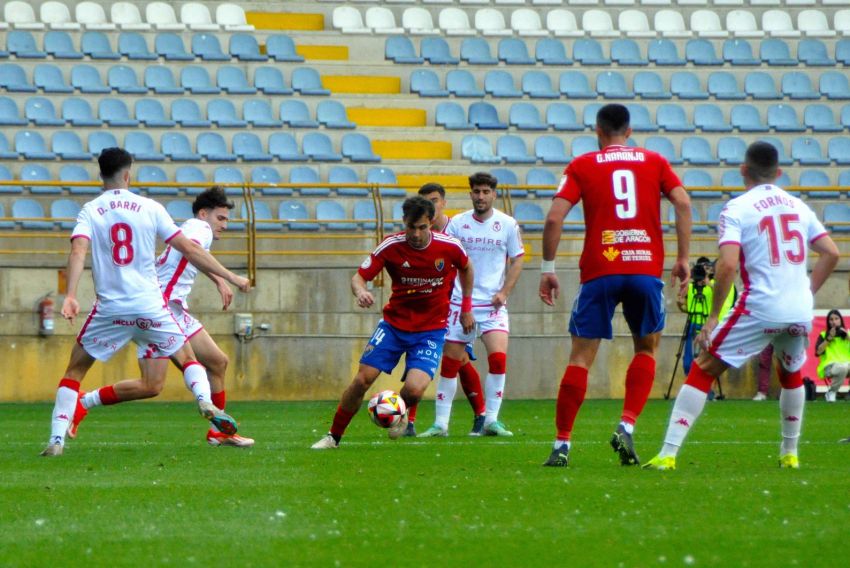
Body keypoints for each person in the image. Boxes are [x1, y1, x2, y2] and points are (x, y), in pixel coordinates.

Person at [41, 148, 251, 457]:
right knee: (183, 364)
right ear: (128, 175)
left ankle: (57, 438)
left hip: (112, 308)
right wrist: (232, 278)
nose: (223, 224)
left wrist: (70, 295)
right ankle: (204, 403)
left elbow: (78, 251)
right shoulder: (158, 211)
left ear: (101, 175)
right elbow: (189, 250)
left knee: (80, 371)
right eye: (221, 218)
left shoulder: (90, 210)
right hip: (155, 304)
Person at [644, 141, 840, 470]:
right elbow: (832, 253)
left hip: (760, 306)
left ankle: (668, 454)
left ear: (743, 170)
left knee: (704, 367)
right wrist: (807, 291)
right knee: (791, 374)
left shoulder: (737, 208)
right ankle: (789, 453)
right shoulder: (799, 206)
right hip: (798, 309)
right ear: (778, 173)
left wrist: (712, 318)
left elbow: (728, 265)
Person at [539, 103, 693, 467]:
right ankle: (626, 424)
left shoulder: (582, 164)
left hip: (601, 268)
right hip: (645, 269)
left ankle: (562, 445)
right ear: (630, 130)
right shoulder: (654, 161)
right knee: (646, 349)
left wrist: (548, 267)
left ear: (597, 130)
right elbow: (683, 203)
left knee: (580, 358)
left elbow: (553, 217)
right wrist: (683, 258)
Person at [311, 196, 474, 449]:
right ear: (404, 222)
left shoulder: (449, 246)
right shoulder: (390, 246)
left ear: (430, 223)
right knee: (362, 380)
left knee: (415, 390)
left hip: (430, 330)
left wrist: (465, 308)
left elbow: (467, 268)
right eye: (411, 227)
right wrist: (361, 291)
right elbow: (358, 277)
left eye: (422, 227)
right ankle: (333, 436)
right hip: (394, 326)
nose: (416, 234)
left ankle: (400, 409)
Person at [418, 172, 525, 438]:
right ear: (470, 195)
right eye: (476, 192)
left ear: (494, 195)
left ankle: (491, 420)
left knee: (498, 359)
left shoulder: (508, 224)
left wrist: (504, 292)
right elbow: (445, 259)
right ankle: (441, 424)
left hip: (492, 306)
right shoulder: (458, 224)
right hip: (459, 304)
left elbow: (518, 260)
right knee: (451, 363)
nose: (480, 197)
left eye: (486, 192)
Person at [404, 183, 486, 437]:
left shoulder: (458, 229)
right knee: (417, 357)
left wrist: (468, 304)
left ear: (444, 203)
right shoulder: (415, 234)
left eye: (436, 200)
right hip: (429, 306)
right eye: (427, 200)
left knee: (458, 360)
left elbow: (470, 265)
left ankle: (482, 415)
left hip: (458, 305)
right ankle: (409, 421)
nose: (432, 205)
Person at [677, 257, 713, 375]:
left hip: (706, 324)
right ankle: (690, 383)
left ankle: (709, 390)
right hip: (692, 324)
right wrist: (680, 304)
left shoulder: (712, 285)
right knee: (688, 361)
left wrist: (708, 281)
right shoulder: (690, 287)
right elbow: (687, 308)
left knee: (707, 360)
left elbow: (724, 295)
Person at [816, 309, 850, 403]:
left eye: (836, 319)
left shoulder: (848, 334)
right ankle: (832, 392)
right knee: (843, 367)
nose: (834, 322)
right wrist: (829, 339)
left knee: (845, 366)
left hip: (847, 365)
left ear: (841, 320)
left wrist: (848, 337)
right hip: (830, 366)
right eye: (831, 319)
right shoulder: (823, 335)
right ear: (828, 322)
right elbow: (818, 352)